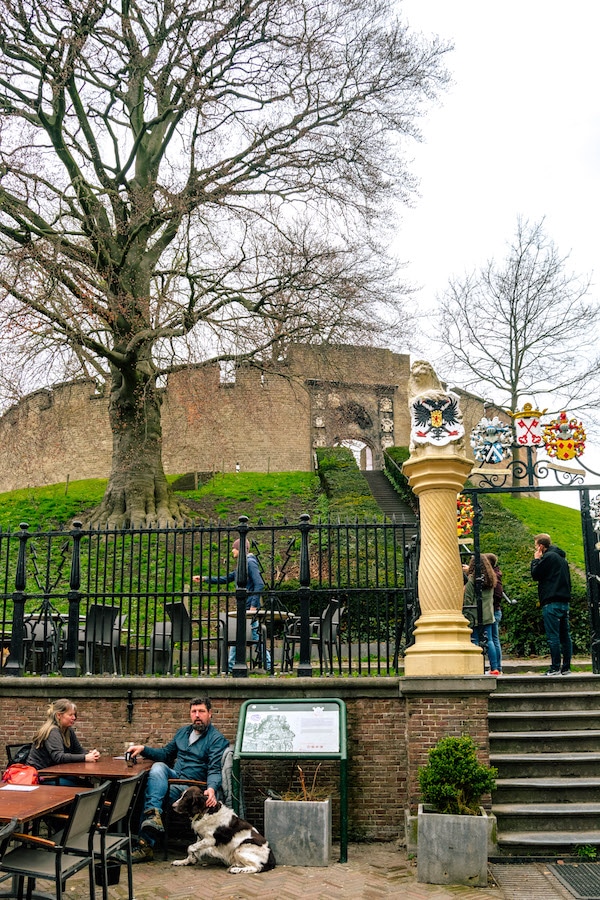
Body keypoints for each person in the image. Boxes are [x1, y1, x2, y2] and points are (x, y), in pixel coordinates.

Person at [119, 696, 229, 863]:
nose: (197, 715)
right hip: (174, 777)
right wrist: (143, 749)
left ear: (210, 714)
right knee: (158, 767)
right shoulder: (183, 733)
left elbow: (214, 769)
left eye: (201, 711)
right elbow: (165, 754)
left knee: (146, 790)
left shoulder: (216, 739)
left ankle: (144, 845)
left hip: (190, 787)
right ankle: (153, 817)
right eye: (194, 711)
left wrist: (212, 788)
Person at [194, 538, 271, 673]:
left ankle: (263, 665)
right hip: (244, 607)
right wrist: (205, 579)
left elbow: (259, 584)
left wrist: (253, 606)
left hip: (249, 608)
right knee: (245, 635)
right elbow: (225, 578)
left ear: (240, 549)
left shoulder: (250, 563)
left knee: (249, 635)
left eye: (234, 548)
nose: (232, 551)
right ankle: (234, 666)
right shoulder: (242, 565)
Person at [27, 698, 100, 783]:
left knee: (85, 784)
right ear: (59, 715)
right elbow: (59, 757)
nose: (74, 718)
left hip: (57, 773)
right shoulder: (52, 731)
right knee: (82, 788)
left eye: (74, 715)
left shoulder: (68, 730)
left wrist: (91, 754)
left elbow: (78, 750)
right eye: (70, 715)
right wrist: (85, 758)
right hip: (43, 776)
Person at [531, 533, 572, 676]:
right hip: (563, 601)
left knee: (553, 636)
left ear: (541, 546)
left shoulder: (548, 558)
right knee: (565, 636)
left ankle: (555, 667)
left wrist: (536, 560)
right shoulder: (561, 559)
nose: (535, 548)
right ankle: (566, 667)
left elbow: (535, 575)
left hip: (551, 601)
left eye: (536, 545)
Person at [463, 554, 501, 675]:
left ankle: (477, 667)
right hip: (488, 614)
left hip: (474, 614)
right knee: (489, 640)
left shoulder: (473, 578)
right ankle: (495, 668)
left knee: (474, 640)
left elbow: (468, 598)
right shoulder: (491, 578)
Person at [485, 553, 504, 676]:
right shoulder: (496, 574)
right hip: (495, 610)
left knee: (491, 639)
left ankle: (496, 667)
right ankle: (498, 667)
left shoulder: (493, 576)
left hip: (492, 610)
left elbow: (497, 595)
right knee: (494, 639)